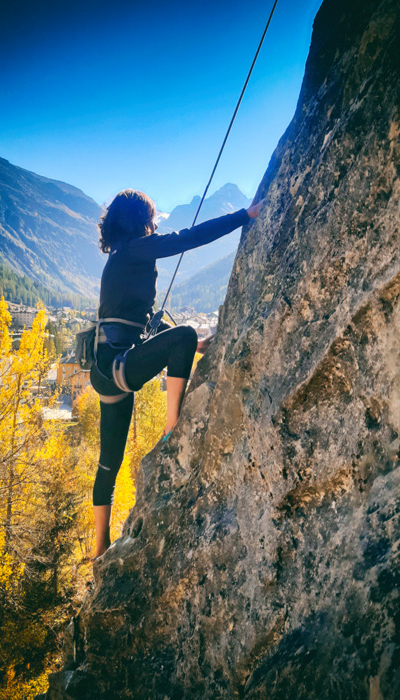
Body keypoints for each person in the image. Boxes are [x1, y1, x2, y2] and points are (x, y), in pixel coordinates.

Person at [90, 189, 263, 558]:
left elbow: (136, 324)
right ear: (141, 221)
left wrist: (192, 349)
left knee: (109, 463)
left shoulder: (121, 257)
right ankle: (173, 427)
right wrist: (244, 216)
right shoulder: (138, 249)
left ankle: (99, 546)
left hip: (107, 369)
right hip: (119, 365)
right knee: (185, 333)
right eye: (150, 220)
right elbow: (189, 238)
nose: (154, 227)